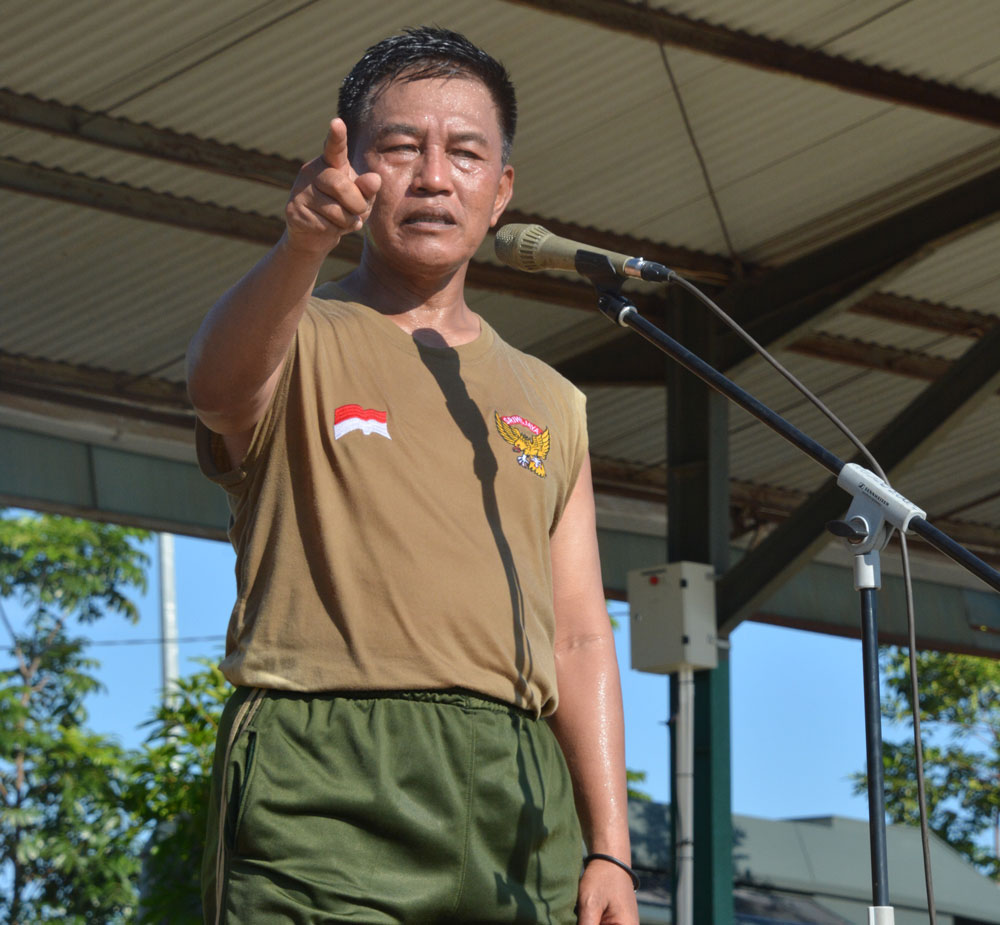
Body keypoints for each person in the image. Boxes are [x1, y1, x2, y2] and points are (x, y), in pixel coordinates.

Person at [187, 26, 638, 925]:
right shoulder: (294, 330)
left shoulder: (550, 399)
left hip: (518, 787)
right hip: (325, 770)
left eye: (465, 152)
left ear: (501, 190)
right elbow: (216, 389)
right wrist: (301, 244)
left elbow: (581, 637)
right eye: (401, 147)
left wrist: (609, 847)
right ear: (355, 167)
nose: (435, 177)